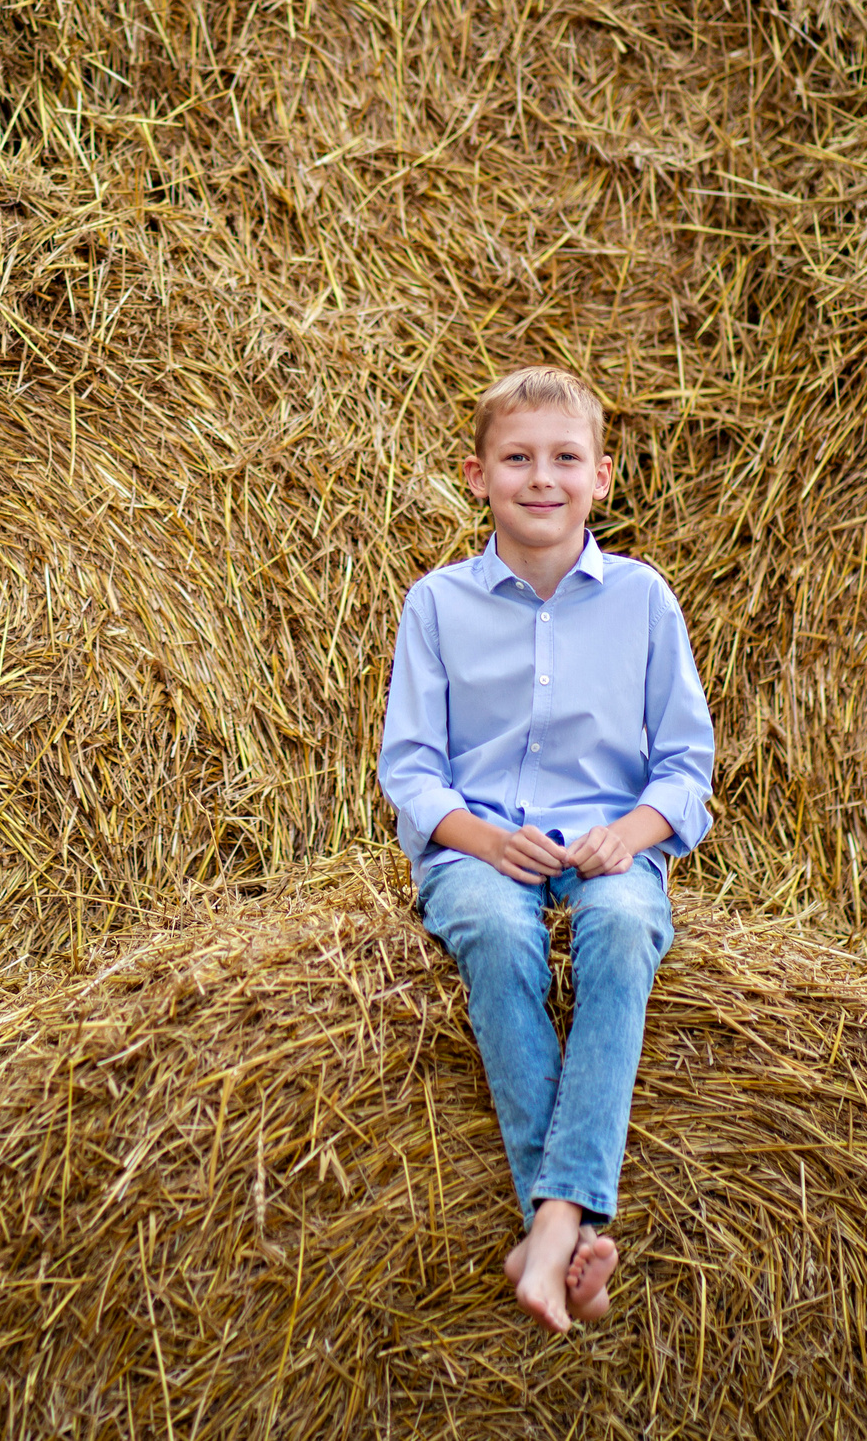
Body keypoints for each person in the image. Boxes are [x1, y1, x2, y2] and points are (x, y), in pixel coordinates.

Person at [377, 365, 714, 1332]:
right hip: (480, 847)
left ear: (600, 477)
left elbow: (686, 763)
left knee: (624, 929)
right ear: (476, 475)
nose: (541, 477)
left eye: (565, 458)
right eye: (517, 458)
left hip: (610, 848)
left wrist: (631, 834)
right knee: (491, 928)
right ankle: (565, 1226)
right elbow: (412, 766)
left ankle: (552, 1224)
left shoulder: (644, 600)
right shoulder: (436, 604)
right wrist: (483, 839)